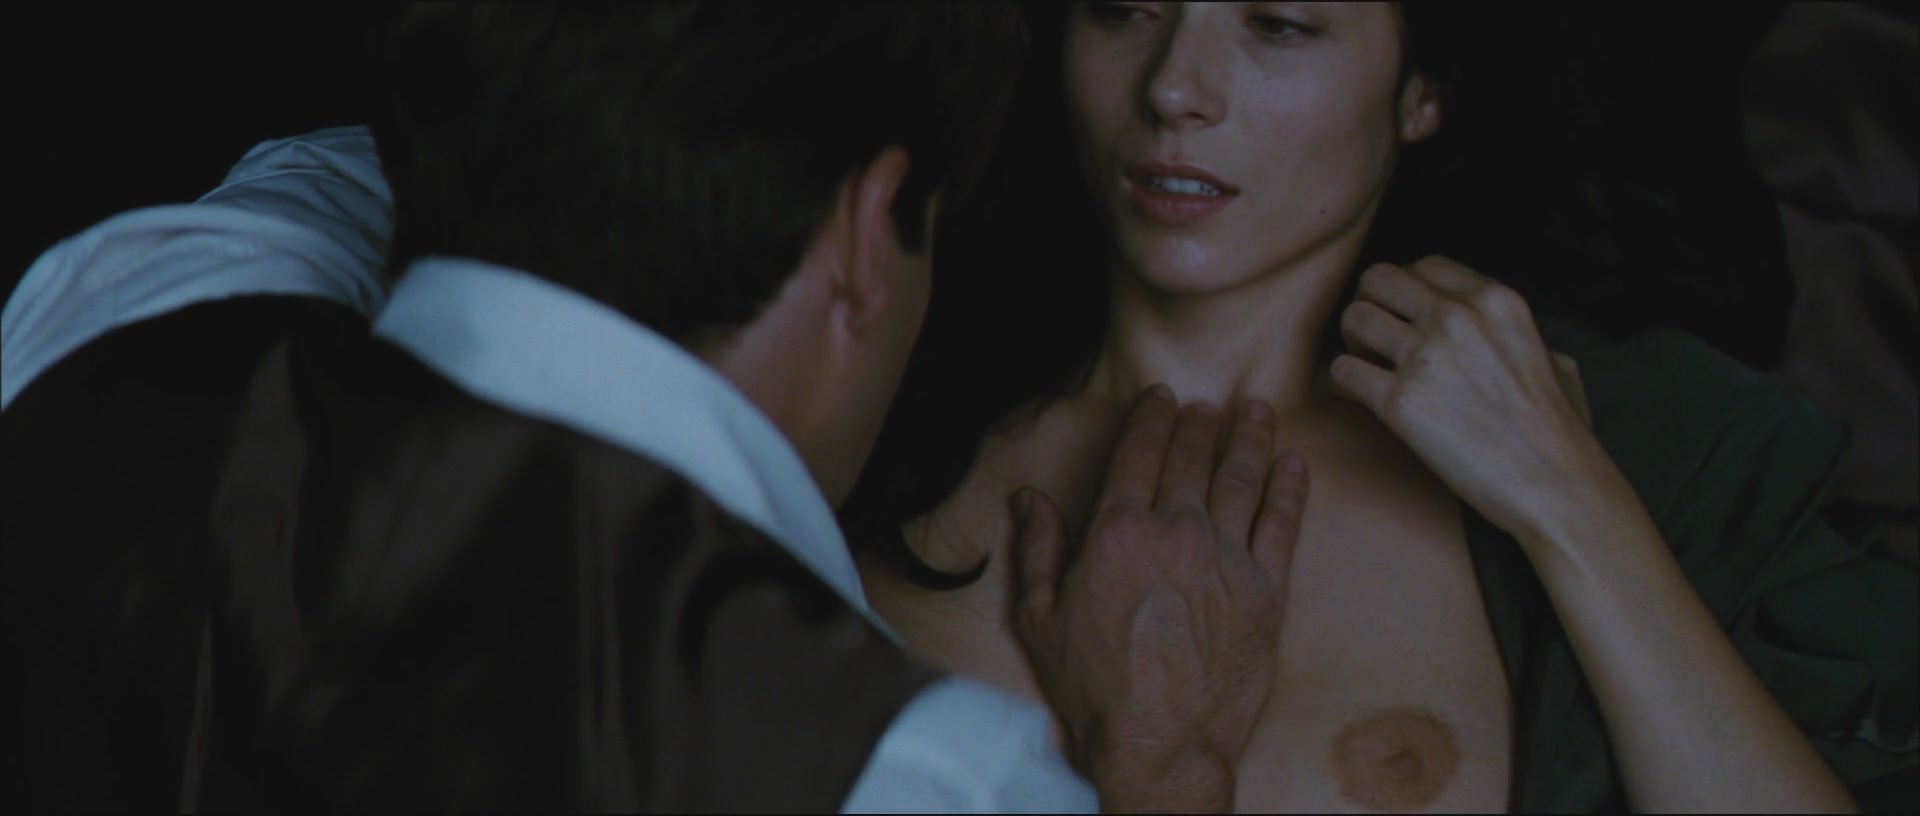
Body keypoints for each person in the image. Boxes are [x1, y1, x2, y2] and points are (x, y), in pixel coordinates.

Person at [1, 3, 1311, 812]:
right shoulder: (914, 781)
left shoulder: (108, 326)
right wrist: (1165, 776)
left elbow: (318, 192)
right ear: (870, 234)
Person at [838, 2, 1918, 813]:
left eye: (1278, 25)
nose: (1173, 89)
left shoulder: (1654, 447)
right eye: (1124, 9)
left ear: (1419, 90)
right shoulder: (869, 427)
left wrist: (1574, 504)